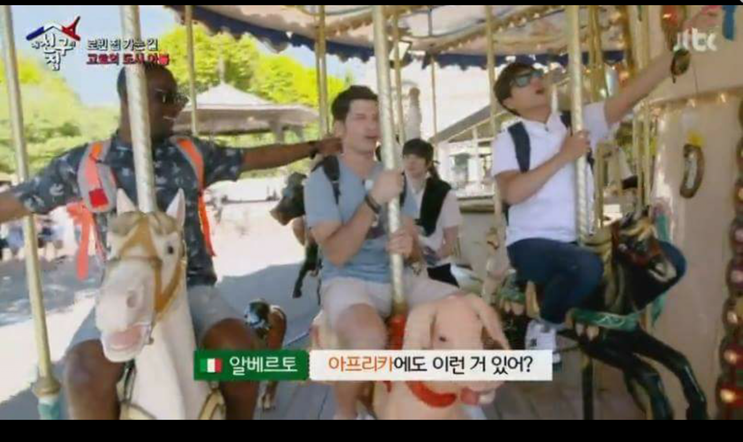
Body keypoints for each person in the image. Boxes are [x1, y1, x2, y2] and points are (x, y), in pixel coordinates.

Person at [0, 63, 341, 420]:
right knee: (83, 374)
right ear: (129, 99)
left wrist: (313, 146)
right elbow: (21, 199)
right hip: (124, 287)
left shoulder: (189, 153)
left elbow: (251, 158)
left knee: (238, 353)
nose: (176, 106)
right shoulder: (86, 163)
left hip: (190, 285)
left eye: (178, 97)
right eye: (165, 97)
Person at [490, 9, 718, 363]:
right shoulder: (510, 138)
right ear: (509, 102)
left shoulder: (577, 122)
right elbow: (513, 193)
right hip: (532, 244)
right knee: (585, 266)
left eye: (535, 74)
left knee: (669, 260)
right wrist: (565, 156)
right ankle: (544, 325)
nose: (534, 80)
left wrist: (683, 40)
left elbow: (633, 93)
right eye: (521, 80)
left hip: (579, 240)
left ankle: (614, 315)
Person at [304, 86, 464, 420]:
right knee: (367, 338)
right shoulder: (323, 179)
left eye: (376, 117)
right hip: (348, 281)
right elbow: (336, 254)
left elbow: (415, 251)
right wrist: (374, 199)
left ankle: (452, 400)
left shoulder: (393, 177)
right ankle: (345, 412)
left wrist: (409, 247)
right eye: (360, 117)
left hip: (398, 278)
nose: (371, 125)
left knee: (464, 310)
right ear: (339, 128)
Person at [402, 139, 462, 287]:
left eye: (417, 157)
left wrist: (435, 256)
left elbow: (450, 240)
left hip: (433, 264)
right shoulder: (394, 189)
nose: (411, 162)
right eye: (407, 157)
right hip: (401, 264)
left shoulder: (442, 192)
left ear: (428, 163)